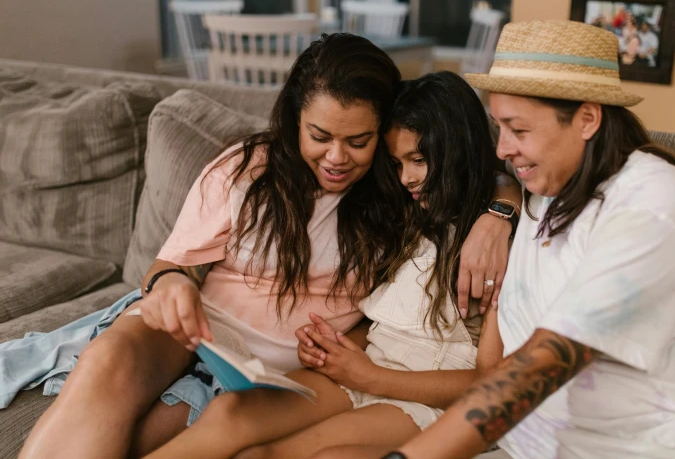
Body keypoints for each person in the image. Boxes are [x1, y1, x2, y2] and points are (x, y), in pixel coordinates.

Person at [15, 35, 515, 459]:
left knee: (150, 438)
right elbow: (172, 266)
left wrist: (500, 213)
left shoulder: (398, 194)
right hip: (197, 334)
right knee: (108, 362)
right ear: (295, 118)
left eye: (359, 141)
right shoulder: (247, 170)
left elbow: (471, 169)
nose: (337, 157)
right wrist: (170, 284)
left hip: (269, 375)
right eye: (320, 135)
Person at [359, 20, 675, 459]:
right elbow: (482, 174)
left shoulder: (651, 205)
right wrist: (500, 209)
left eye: (518, 130)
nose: (502, 147)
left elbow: (548, 360)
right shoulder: (545, 187)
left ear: (587, 119)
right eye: (499, 128)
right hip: (539, 444)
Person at [140, 72, 511, 459]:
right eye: (398, 162)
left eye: (418, 160)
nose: (407, 177)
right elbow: (384, 325)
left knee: (278, 454)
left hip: (428, 395)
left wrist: (369, 376)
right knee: (231, 414)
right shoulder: (408, 215)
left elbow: (493, 381)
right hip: (367, 367)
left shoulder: (495, 249)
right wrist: (332, 351)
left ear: (458, 151)